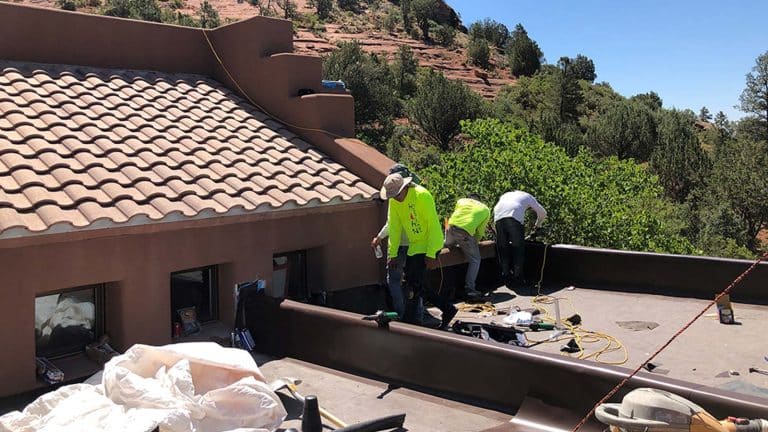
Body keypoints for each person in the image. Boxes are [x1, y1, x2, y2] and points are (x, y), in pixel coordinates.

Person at [381, 173, 457, 328]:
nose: (395, 198)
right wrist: (393, 253)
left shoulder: (422, 196)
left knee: (414, 285)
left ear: (404, 187)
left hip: (429, 243)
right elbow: (395, 228)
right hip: (414, 245)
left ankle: (412, 320)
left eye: (397, 194)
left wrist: (431, 253)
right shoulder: (394, 202)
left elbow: (434, 226)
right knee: (414, 285)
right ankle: (445, 309)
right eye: (392, 196)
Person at [493, 190, 547, 291]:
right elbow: (543, 213)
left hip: (498, 217)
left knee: (503, 249)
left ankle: (506, 277)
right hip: (513, 217)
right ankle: (518, 279)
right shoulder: (529, 197)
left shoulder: (506, 195)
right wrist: (537, 226)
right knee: (518, 249)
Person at [444, 195, 490, 299]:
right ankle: (470, 289)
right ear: (479, 201)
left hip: (450, 227)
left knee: (448, 245)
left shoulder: (462, 201)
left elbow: (457, 216)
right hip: (464, 232)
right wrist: (474, 244)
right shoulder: (485, 209)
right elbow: (480, 232)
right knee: (475, 260)